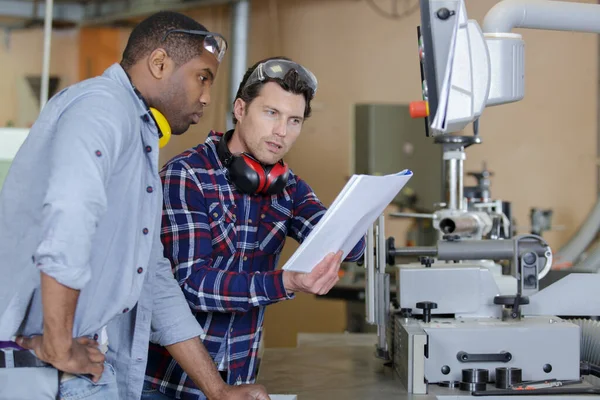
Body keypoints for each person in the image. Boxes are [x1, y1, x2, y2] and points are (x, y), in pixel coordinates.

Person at [0, 10, 270, 400]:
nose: (207, 97)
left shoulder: (137, 134)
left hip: (81, 367)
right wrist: (59, 344)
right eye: (202, 78)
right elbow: (70, 215)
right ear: (160, 63)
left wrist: (218, 390)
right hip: (41, 374)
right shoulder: (102, 108)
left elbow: (153, 276)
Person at [142, 57, 366, 399]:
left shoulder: (288, 186)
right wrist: (286, 281)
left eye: (294, 121)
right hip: (165, 387)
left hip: (240, 380)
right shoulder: (186, 176)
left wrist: (359, 216)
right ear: (240, 108)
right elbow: (193, 286)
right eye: (271, 113)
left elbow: (343, 243)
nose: (281, 132)